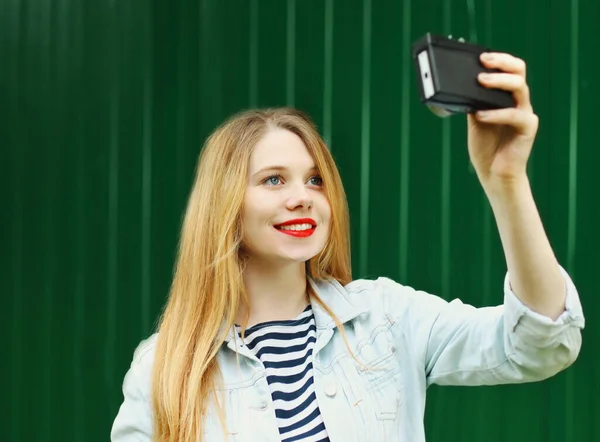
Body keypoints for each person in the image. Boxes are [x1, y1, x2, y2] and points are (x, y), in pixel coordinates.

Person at [111, 52, 585, 442]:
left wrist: (506, 181)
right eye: (273, 179)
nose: (301, 195)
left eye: (315, 179)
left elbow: (539, 343)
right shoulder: (163, 370)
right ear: (226, 206)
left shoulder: (387, 317)